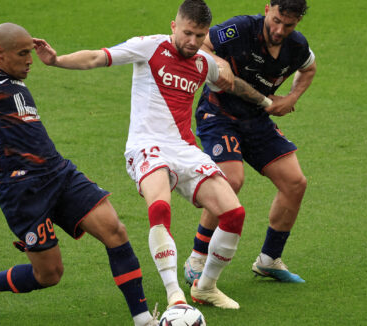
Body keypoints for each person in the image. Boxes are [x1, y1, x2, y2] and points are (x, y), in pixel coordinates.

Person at [33, 0, 282, 310]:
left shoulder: (204, 62)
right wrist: (56, 60)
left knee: (234, 213)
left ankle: (205, 287)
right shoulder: (149, 47)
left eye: (199, 35)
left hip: (185, 149)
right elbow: (97, 57)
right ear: (173, 26)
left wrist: (268, 103)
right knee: (160, 208)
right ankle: (174, 294)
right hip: (146, 146)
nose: (192, 42)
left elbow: (231, 83)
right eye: (187, 33)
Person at [0, 23, 158, 326]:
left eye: (30, 53)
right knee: (49, 274)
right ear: (0, 53)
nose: (29, 60)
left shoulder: (13, 77)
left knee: (115, 231)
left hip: (58, 171)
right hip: (22, 188)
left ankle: (143, 320)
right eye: (22, 54)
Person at [184, 0, 317, 285]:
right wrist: (217, 61)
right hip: (218, 114)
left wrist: (291, 98)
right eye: (277, 20)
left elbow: (309, 68)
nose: (280, 30)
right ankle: (197, 256)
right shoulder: (240, 29)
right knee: (230, 181)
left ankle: (269, 260)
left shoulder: (297, 46)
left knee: (295, 182)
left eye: (289, 25)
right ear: (268, 8)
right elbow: (203, 46)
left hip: (256, 120)